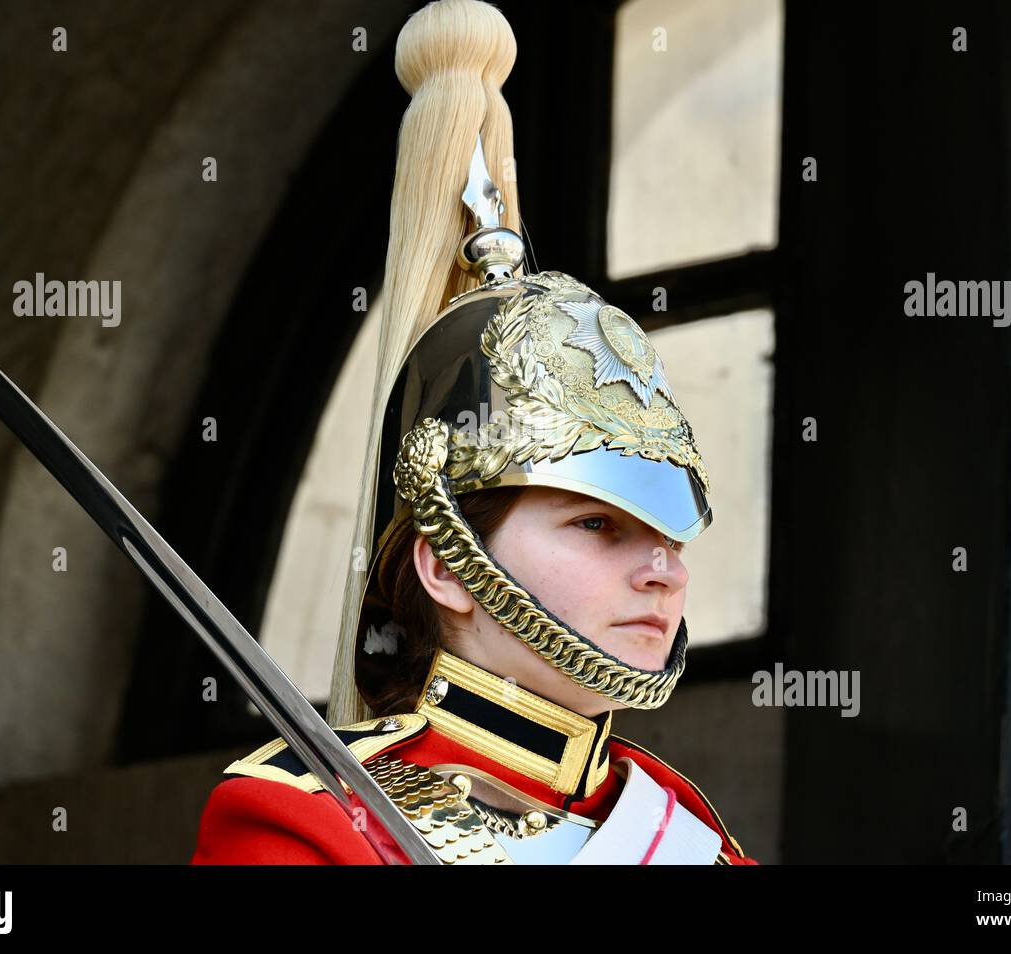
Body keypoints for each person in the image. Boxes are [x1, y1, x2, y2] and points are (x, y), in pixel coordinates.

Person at [191, 0, 757, 866]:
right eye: (598, 523)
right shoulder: (307, 824)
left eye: (668, 535)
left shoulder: (690, 838)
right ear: (449, 564)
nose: (664, 570)